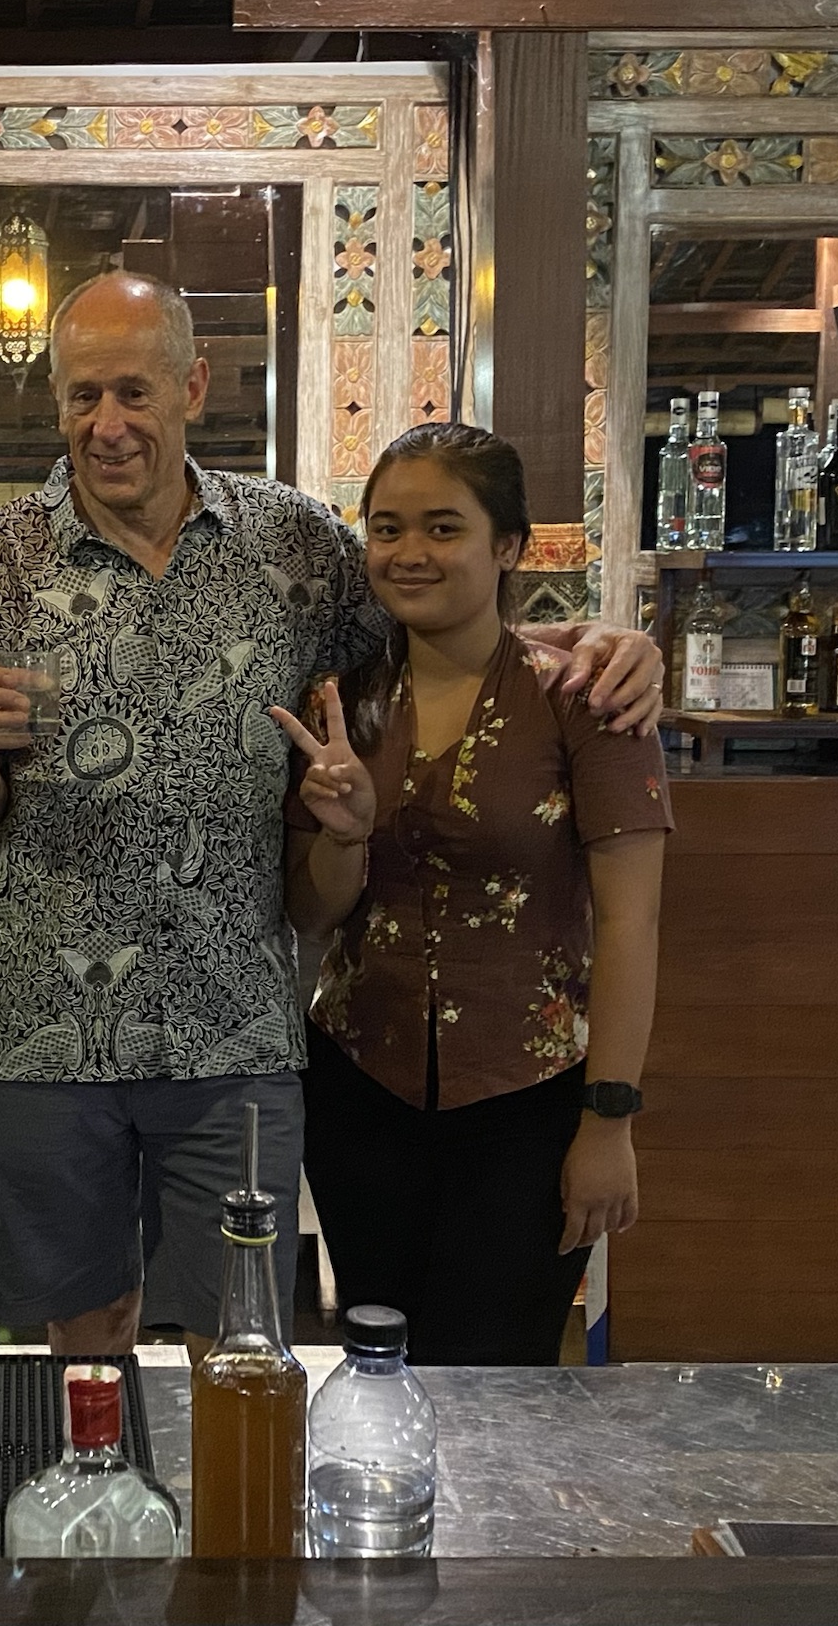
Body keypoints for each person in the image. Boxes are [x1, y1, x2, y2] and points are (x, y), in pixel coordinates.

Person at [0, 271, 665, 1357]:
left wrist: (600, 642)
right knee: (81, 1336)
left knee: (240, 1337)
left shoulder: (297, 544)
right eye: (83, 395)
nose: (107, 423)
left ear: (194, 387)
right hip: (48, 1020)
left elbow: (440, 621)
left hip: (237, 1018)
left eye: (134, 392)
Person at [276, 423, 672, 1365]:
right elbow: (312, 914)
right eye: (387, 528)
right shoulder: (341, 704)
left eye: (443, 527)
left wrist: (609, 1120)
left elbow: (631, 922)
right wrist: (345, 835)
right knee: (378, 1365)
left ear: (508, 546)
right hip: (358, 1090)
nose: (409, 552)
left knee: (499, 1377)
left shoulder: (587, 697)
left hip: (527, 1102)